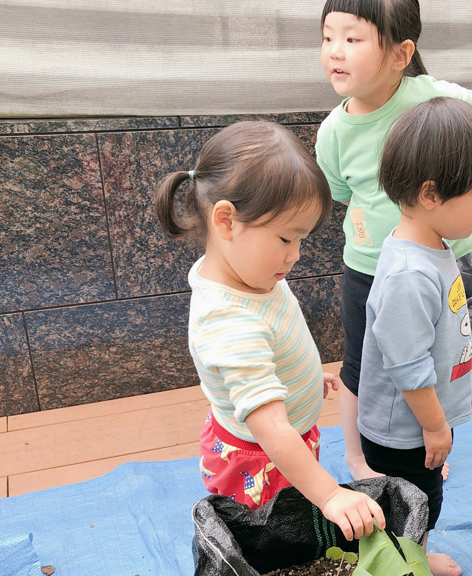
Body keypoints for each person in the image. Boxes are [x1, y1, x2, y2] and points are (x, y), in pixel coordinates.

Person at [316, 0, 472, 480]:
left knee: (441, 345)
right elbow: (338, 193)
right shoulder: (334, 130)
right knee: (363, 362)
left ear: (400, 54)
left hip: (442, 259)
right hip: (370, 265)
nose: (335, 51)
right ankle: (360, 458)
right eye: (328, 37)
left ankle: (426, 440)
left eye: (352, 39)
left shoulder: (434, 97)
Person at [155, 121, 385, 542]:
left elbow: (274, 342)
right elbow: (270, 428)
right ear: (226, 221)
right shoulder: (229, 322)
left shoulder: (250, 273)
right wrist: (331, 494)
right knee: (271, 539)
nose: (295, 255)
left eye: (301, 240)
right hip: (259, 461)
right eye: (285, 238)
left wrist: (301, 377)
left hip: (282, 442)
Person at [357, 97, 472, 576]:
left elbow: (441, 336)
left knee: (427, 503)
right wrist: (436, 426)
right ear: (430, 194)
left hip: (426, 421)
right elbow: (406, 366)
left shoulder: (436, 246)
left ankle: (417, 562)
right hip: (405, 430)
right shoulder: (408, 274)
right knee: (404, 515)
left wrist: (469, 369)